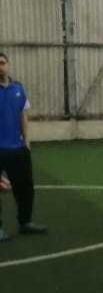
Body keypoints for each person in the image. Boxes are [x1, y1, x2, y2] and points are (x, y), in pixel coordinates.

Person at [0, 52, 46, 241]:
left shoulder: (19, 88)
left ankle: (25, 222)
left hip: (18, 148)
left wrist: (26, 141)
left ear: (8, 65)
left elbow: (23, 115)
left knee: (25, 187)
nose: (0, 66)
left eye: (2, 62)